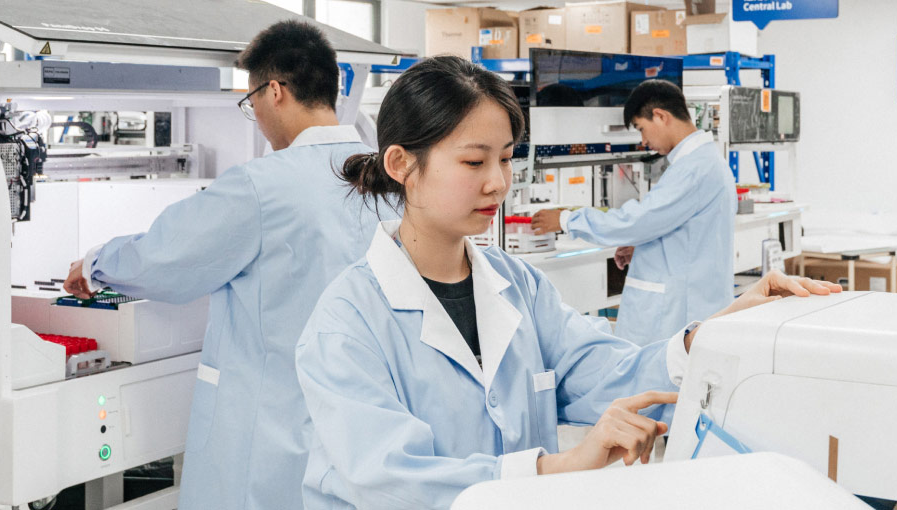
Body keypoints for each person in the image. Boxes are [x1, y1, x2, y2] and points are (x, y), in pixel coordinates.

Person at [292, 56, 838, 510]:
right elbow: (387, 477)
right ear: (400, 164)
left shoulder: (517, 285)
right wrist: (555, 468)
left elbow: (603, 374)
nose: (498, 183)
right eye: (474, 161)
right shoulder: (348, 320)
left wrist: (709, 337)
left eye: (506, 159)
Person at [61, 21, 396, 510]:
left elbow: (167, 257)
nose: (254, 115)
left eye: (251, 101)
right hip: (359, 430)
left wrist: (95, 263)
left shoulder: (263, 186)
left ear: (275, 91)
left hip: (273, 438)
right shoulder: (384, 177)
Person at [528, 79, 736, 343]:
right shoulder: (706, 161)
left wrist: (567, 220)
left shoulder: (693, 169)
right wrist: (646, 247)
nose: (644, 141)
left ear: (660, 116)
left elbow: (637, 221)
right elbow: (690, 236)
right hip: (697, 300)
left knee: (652, 368)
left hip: (681, 309)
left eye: (641, 129)